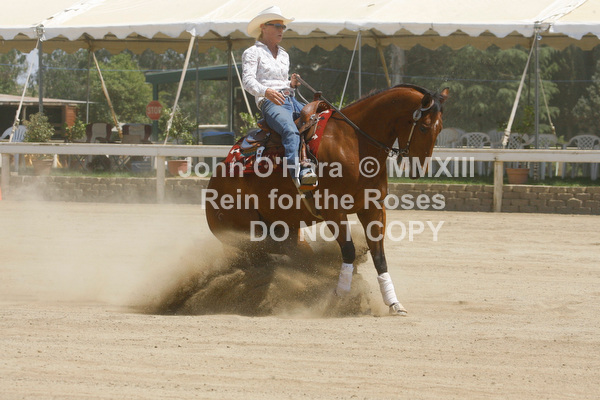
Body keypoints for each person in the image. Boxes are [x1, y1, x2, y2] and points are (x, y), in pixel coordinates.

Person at [242, 6, 317, 186]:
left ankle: (314, 165)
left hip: (290, 98)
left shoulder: (284, 54)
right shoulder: (252, 52)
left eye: (283, 27)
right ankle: (296, 175)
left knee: (319, 120)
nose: (281, 30)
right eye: (277, 25)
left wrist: (291, 84)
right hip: (270, 103)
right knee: (290, 130)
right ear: (263, 27)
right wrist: (266, 92)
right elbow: (247, 81)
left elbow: (281, 81)